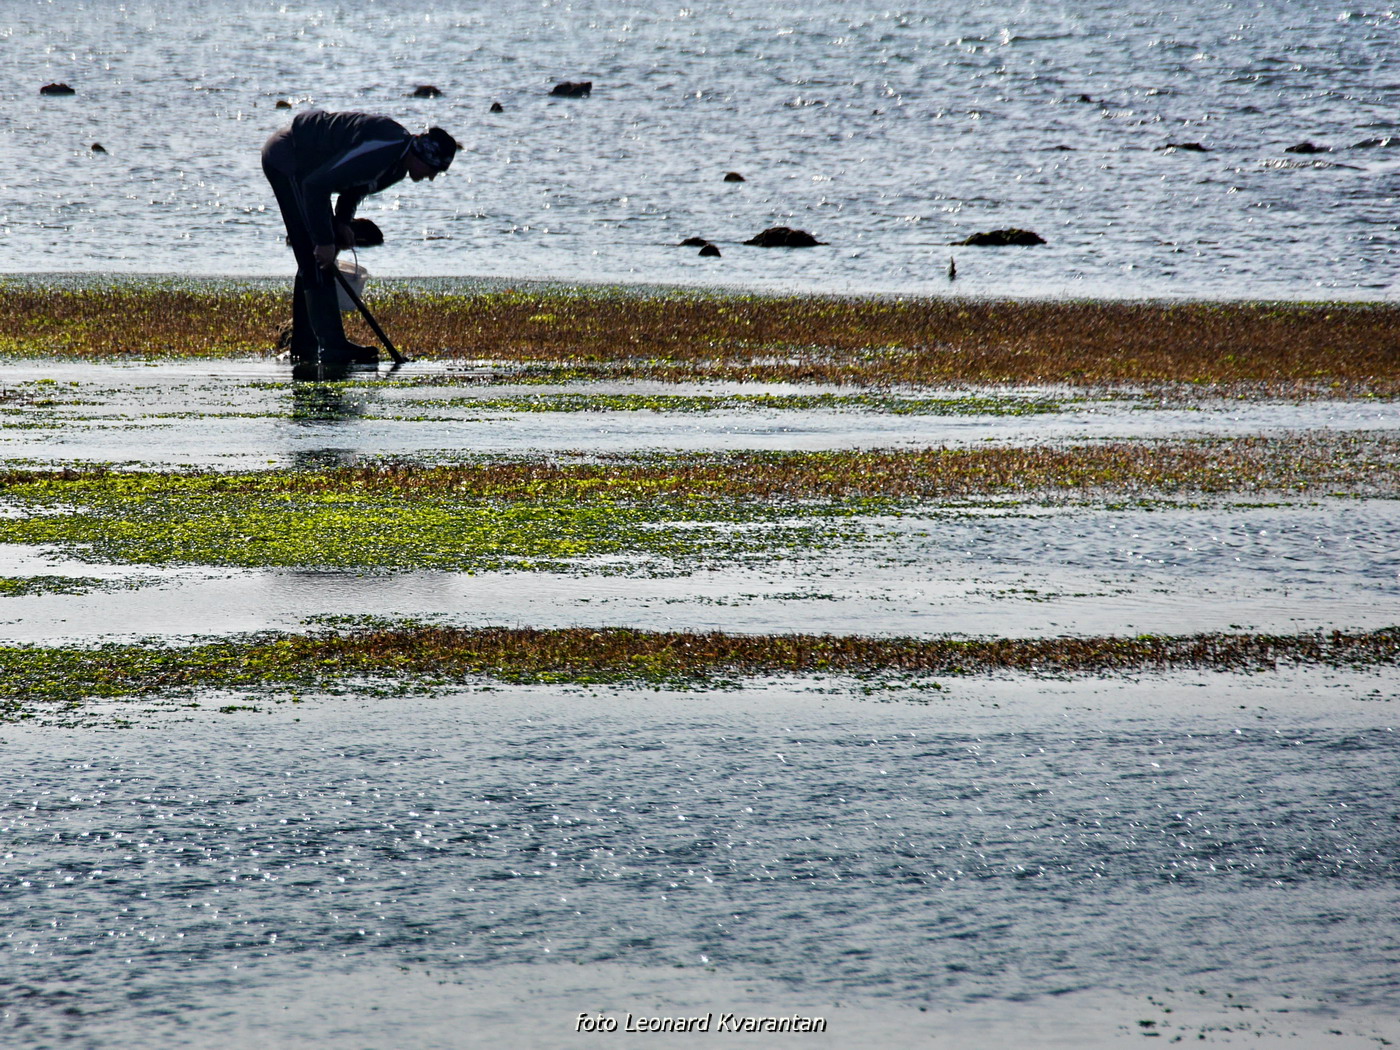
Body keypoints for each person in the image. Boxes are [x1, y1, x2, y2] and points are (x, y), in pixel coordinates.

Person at [262, 110, 458, 369]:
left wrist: (342, 222)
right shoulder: (384, 149)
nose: (431, 177)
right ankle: (330, 347)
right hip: (289, 157)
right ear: (422, 156)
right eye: (433, 170)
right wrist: (325, 241)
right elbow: (316, 185)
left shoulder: (396, 168)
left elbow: (354, 188)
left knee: (318, 255)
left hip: (311, 173)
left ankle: (310, 344)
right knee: (313, 252)